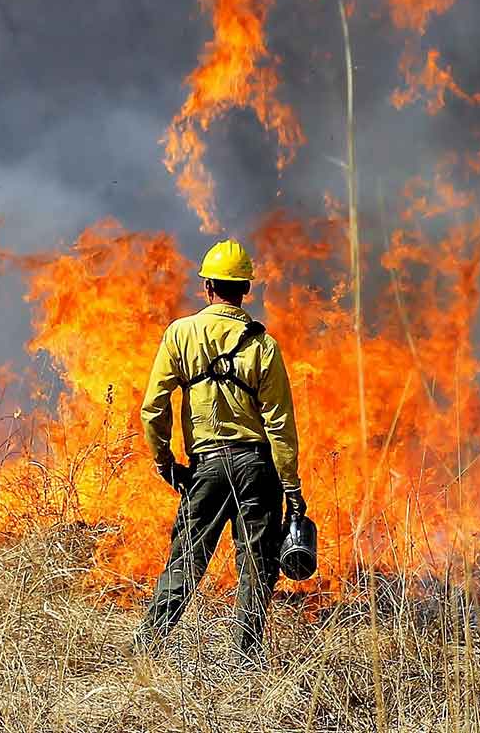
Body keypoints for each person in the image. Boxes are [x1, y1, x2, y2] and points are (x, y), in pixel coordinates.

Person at [133, 238, 306, 657]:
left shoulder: (181, 334)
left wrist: (164, 461)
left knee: (186, 561)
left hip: (205, 468)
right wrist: (292, 487)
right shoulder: (263, 345)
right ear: (246, 290)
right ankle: (245, 661)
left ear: (207, 286)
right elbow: (280, 425)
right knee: (256, 568)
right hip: (257, 468)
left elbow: (153, 408)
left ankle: (145, 650)